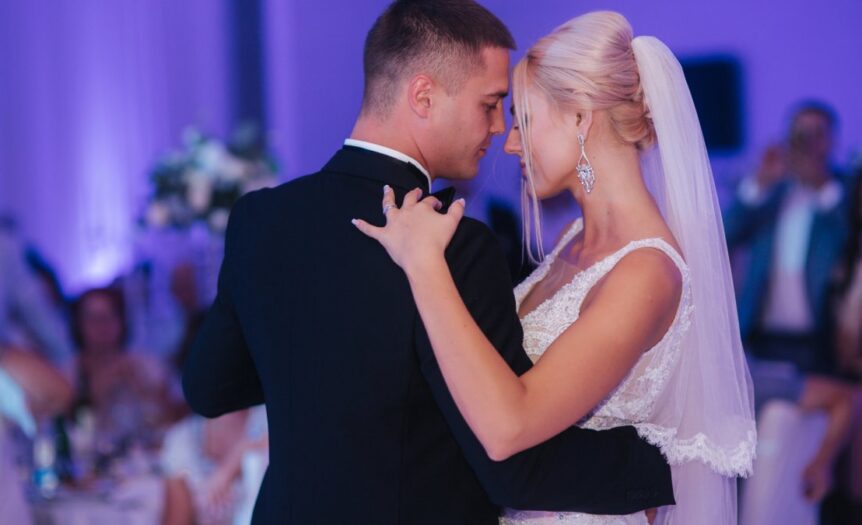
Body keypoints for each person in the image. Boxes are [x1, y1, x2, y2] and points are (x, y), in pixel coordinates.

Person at [183, 2, 673, 524]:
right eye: (490, 104)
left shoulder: (261, 219)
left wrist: (307, 369)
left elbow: (207, 388)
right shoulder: (455, 246)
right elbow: (508, 466)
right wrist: (664, 465)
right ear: (423, 95)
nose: (497, 131)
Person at [355, 10, 755, 524]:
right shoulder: (573, 240)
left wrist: (424, 262)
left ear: (579, 119)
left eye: (524, 120)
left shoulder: (647, 273)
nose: (511, 143)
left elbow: (510, 426)